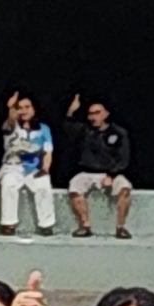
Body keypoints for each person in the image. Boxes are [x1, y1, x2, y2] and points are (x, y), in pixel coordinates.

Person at [65, 100, 135, 238]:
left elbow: (123, 158)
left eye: (97, 113)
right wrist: (71, 111)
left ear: (106, 114)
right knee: (74, 185)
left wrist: (112, 175)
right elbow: (68, 127)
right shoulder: (85, 131)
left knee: (125, 188)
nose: (93, 117)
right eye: (90, 114)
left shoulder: (119, 132)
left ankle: (120, 227)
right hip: (88, 172)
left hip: (112, 173)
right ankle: (85, 225)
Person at [0, 94, 57, 236]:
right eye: (19, 108)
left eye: (27, 107)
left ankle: (46, 224)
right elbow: (10, 119)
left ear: (34, 109)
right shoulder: (10, 125)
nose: (23, 111)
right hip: (12, 166)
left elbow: (48, 151)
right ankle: (8, 223)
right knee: (8, 183)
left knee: (44, 185)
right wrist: (10, 108)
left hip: (35, 168)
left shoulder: (44, 129)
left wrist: (45, 169)